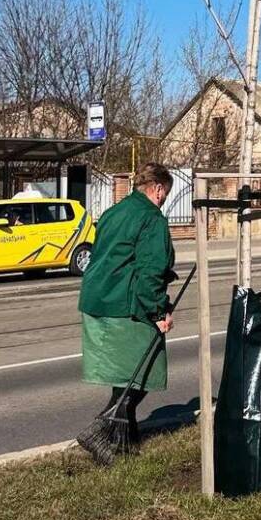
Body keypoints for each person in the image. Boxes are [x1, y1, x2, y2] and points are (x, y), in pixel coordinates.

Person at [77, 162, 176, 451]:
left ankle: (125, 443)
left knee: (125, 373)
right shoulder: (151, 218)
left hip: (98, 297)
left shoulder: (113, 212)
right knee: (144, 371)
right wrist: (159, 312)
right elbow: (150, 271)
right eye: (166, 193)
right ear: (157, 189)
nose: (165, 200)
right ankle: (101, 427)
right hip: (125, 302)